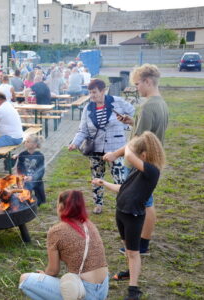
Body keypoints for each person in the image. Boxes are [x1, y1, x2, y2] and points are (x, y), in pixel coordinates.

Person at [103, 64, 168, 255]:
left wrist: (115, 154)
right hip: (152, 160)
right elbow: (151, 132)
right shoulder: (161, 103)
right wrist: (133, 122)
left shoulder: (147, 107)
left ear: (148, 81)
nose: (136, 88)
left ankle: (142, 245)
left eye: (138, 84)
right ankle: (143, 242)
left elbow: (135, 144)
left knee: (145, 203)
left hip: (142, 163)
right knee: (147, 201)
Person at [92, 132, 165, 300]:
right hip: (121, 213)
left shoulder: (152, 172)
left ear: (144, 155)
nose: (130, 158)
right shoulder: (136, 171)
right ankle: (129, 272)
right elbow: (122, 188)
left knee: (133, 252)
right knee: (128, 250)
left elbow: (129, 154)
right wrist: (103, 183)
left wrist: (132, 144)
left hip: (133, 216)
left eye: (136, 155)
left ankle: (134, 290)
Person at [19, 190, 109, 300]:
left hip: (84, 293)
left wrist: (44, 275)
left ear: (61, 206)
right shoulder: (89, 225)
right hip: (103, 289)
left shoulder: (56, 231)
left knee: (24, 279)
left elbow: (53, 271)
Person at [69, 79, 135, 214]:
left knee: (120, 178)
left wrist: (125, 121)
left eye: (94, 92)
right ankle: (98, 203)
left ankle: (122, 203)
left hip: (116, 148)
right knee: (97, 177)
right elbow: (83, 130)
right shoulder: (88, 108)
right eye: (90, 93)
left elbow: (133, 112)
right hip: (96, 149)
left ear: (103, 91)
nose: (92, 96)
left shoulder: (117, 101)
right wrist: (75, 143)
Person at [16, 135, 46, 206]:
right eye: (26, 141)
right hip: (26, 179)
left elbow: (41, 170)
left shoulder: (40, 155)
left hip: (36, 179)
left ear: (34, 145)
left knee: (39, 198)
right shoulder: (22, 154)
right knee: (25, 195)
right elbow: (19, 167)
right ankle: (27, 201)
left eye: (28, 141)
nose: (25, 143)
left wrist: (33, 177)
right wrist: (24, 176)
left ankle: (39, 201)